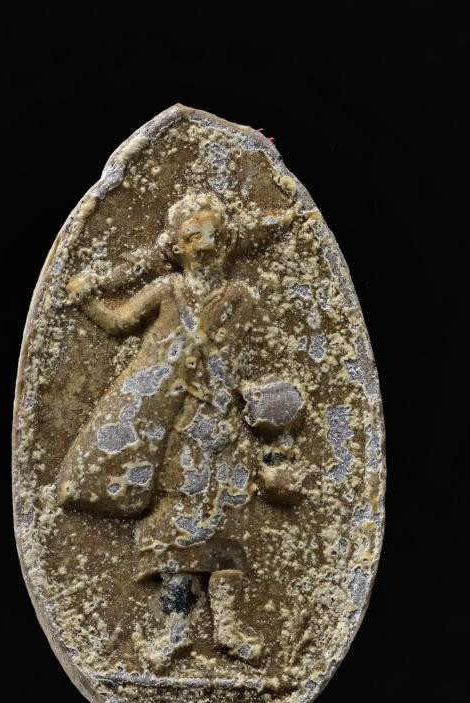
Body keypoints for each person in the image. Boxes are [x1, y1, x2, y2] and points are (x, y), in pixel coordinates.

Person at [57, 191, 303, 672]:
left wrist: (272, 418)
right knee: (175, 535)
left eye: (213, 235)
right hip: (177, 429)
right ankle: (176, 634)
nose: (204, 245)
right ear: (176, 245)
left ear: (226, 241)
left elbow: (261, 364)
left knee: (227, 532)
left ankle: (228, 629)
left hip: (225, 428)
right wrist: (86, 298)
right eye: (193, 237)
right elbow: (118, 321)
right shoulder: (167, 290)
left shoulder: (241, 299)